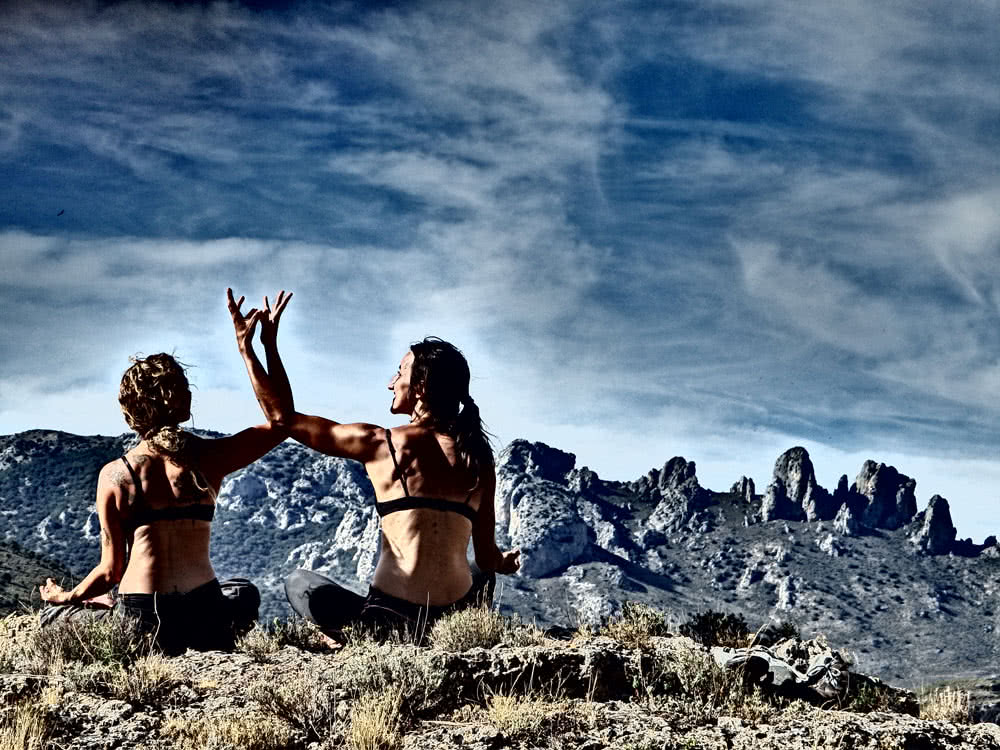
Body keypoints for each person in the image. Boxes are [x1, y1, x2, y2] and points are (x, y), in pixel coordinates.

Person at [229, 288, 520, 642]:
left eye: (399, 373)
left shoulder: (383, 443)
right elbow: (488, 560)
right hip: (451, 623)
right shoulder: (478, 455)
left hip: (390, 621)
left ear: (421, 386)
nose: (390, 382)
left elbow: (282, 418)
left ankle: (350, 636)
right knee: (481, 572)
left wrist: (256, 348)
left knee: (299, 582)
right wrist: (503, 561)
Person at [39, 296, 292, 655]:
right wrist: (254, 347)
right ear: (180, 401)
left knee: (51, 619)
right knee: (242, 591)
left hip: (145, 623)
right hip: (205, 616)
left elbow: (111, 571)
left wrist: (66, 596)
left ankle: (103, 608)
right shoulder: (209, 458)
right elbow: (281, 422)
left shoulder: (116, 476)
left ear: (132, 413)